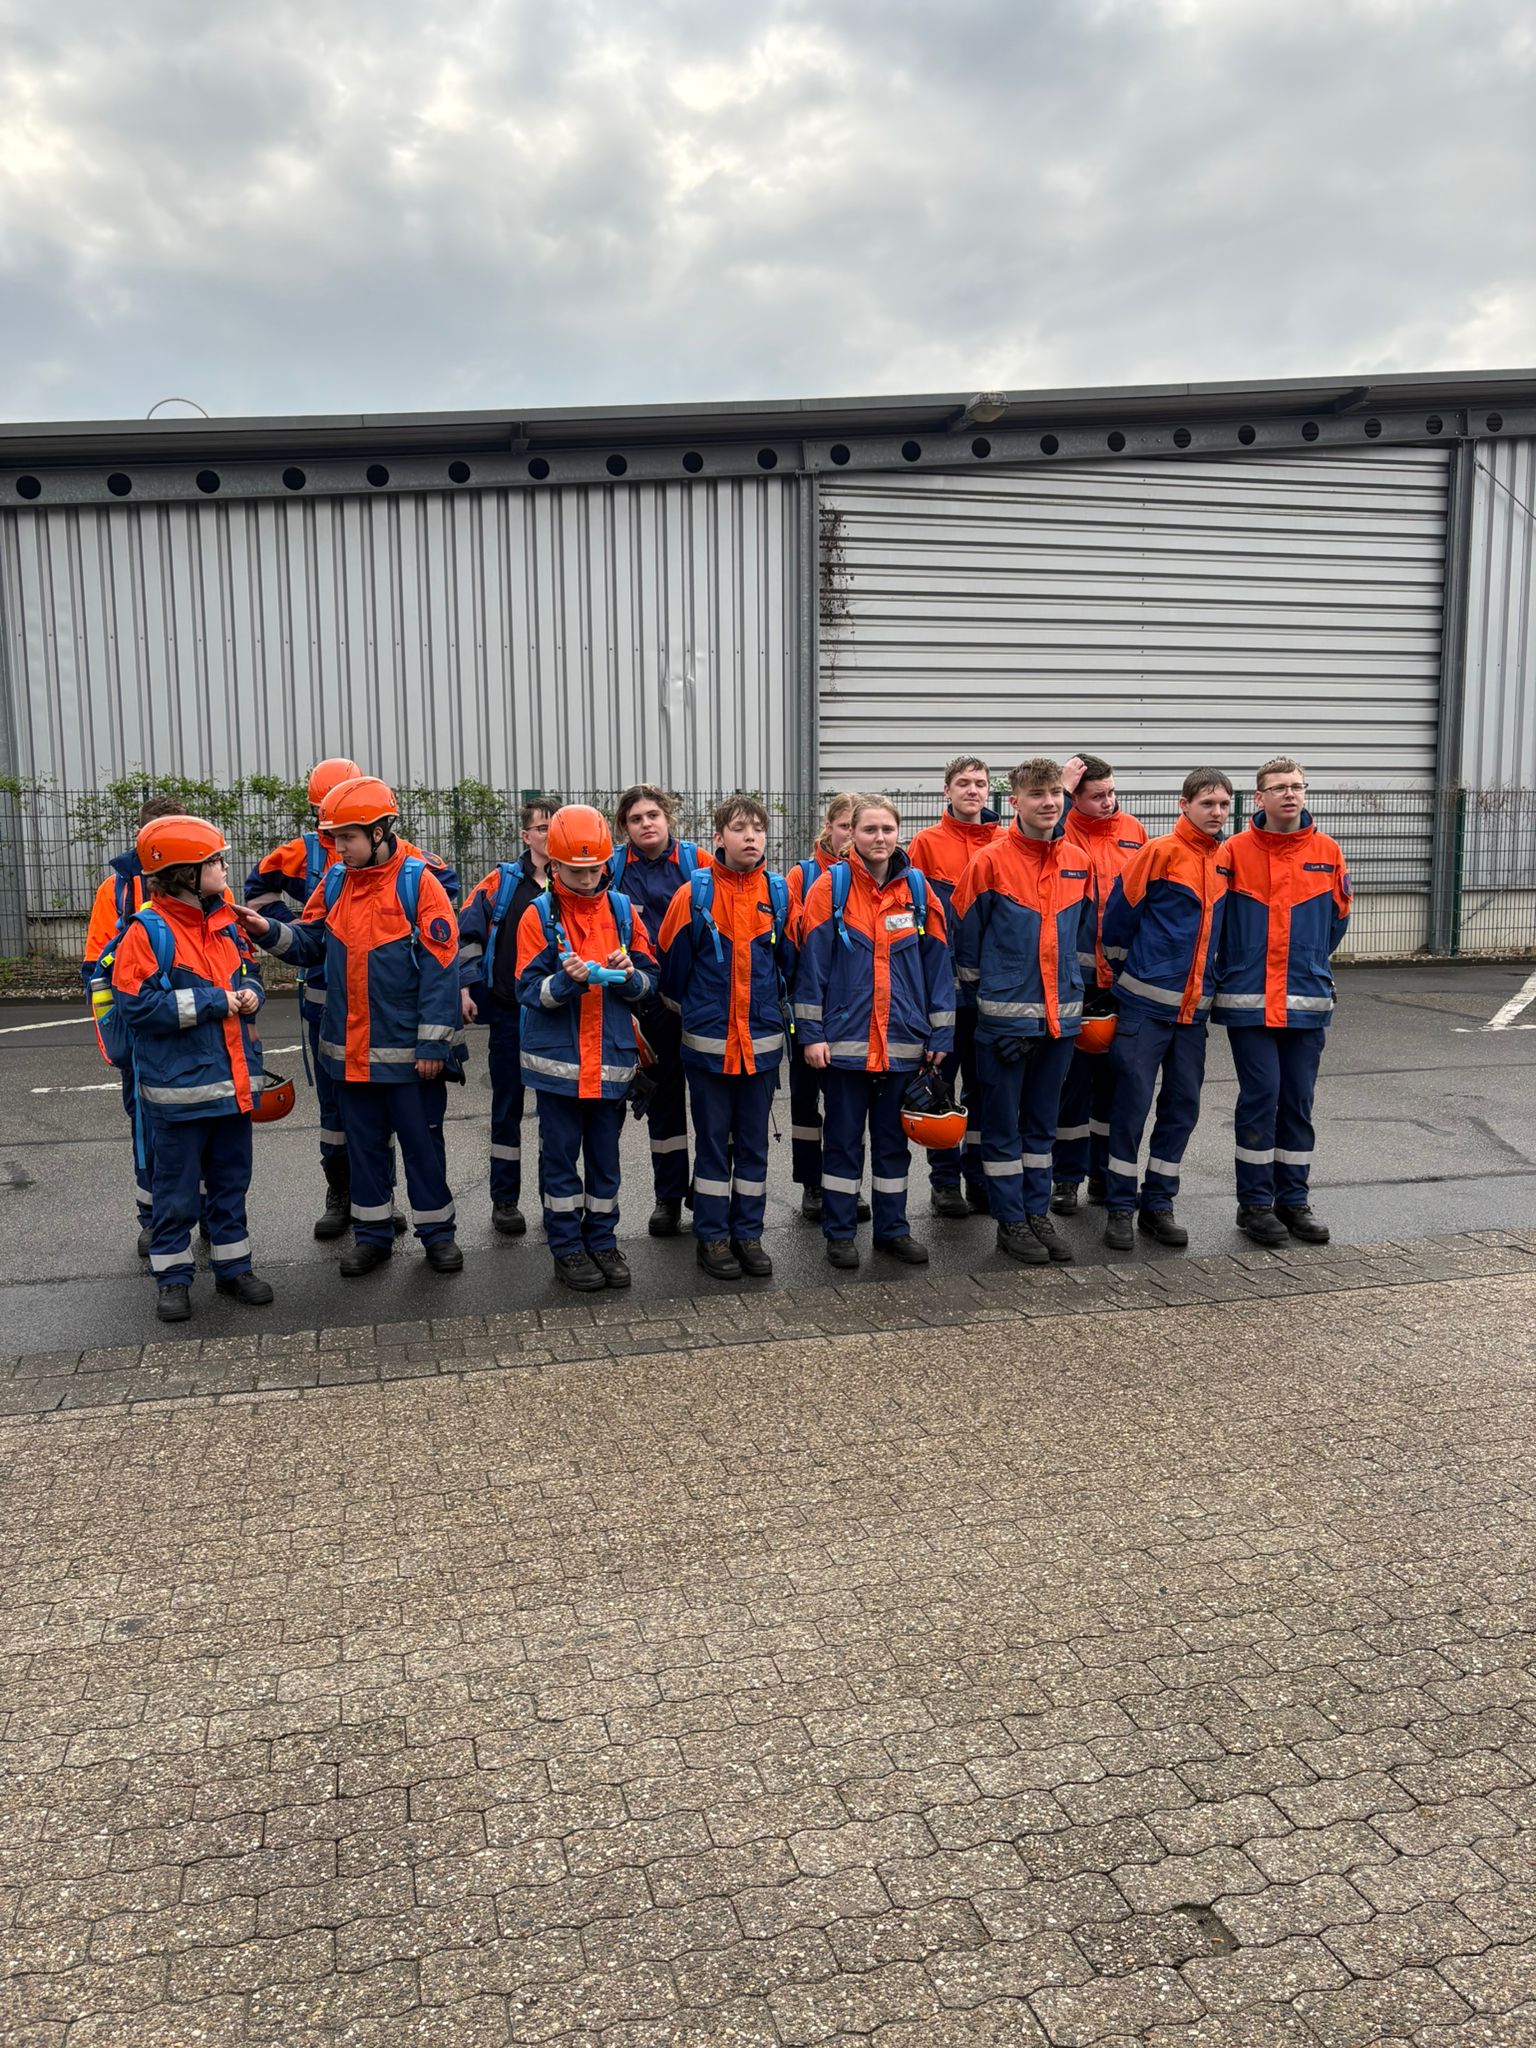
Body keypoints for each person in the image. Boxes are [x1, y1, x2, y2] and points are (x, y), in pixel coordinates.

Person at [233, 777, 465, 1276]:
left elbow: (442, 968)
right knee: (364, 1149)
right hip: (349, 1055)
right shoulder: (337, 880)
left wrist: (432, 1045)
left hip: (409, 1055)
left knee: (423, 1148)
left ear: (380, 831)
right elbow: (311, 943)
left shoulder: (418, 882)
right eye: (334, 837)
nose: (338, 848)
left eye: (348, 837)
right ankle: (373, 1236)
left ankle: (438, 1236)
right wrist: (268, 931)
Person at [110, 814, 275, 1323]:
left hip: (232, 1091)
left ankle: (234, 1269)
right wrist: (217, 1001)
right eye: (215, 862)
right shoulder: (148, 932)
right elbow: (138, 1007)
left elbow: (248, 971)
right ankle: (173, 1280)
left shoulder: (225, 921)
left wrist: (252, 993)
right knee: (176, 1194)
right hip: (179, 1097)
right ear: (186, 872)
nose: (224, 868)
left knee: (230, 1186)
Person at [796, 796, 954, 1270]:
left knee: (892, 1146)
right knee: (843, 1143)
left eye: (887, 829)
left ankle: (893, 1230)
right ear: (852, 836)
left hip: (903, 1044)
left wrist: (940, 1035)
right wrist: (811, 1033)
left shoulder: (918, 891)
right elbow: (812, 968)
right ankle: (840, 1233)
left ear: (898, 833)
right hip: (844, 1047)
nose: (879, 837)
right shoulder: (830, 889)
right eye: (869, 830)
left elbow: (938, 968)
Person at [951, 758, 1094, 1266]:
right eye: (1036, 794)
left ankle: (1036, 1213)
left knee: (1041, 1128)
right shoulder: (989, 862)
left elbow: (1080, 942)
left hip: (1060, 1023)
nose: (1048, 802)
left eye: (1054, 792)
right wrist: (992, 1018)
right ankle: (1009, 1222)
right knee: (1002, 1128)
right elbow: (966, 951)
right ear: (1014, 802)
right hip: (1004, 1028)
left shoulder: (1078, 861)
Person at [514, 804, 659, 1292]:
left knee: (604, 1161)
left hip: (610, 1063)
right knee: (559, 1161)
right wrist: (567, 981)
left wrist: (630, 975)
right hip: (558, 1067)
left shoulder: (621, 910)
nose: (587, 878)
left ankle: (601, 1241)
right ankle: (567, 1249)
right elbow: (527, 989)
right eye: (577, 870)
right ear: (554, 865)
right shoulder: (538, 915)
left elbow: (649, 980)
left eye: (595, 868)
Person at [1215, 756, 1351, 1246]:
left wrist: (1308, 964)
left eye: (1297, 786)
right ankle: (1254, 1205)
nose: (1290, 794)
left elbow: (1337, 922)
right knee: (1261, 1097)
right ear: (1260, 798)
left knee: (1297, 1102)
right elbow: (1217, 921)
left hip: (1306, 1000)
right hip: (1249, 1001)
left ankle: (1293, 1200)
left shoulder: (1328, 852)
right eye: (1279, 787)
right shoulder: (1233, 851)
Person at [657, 796, 795, 1282]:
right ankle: (712, 1237)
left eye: (757, 828)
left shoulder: (778, 894)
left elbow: (789, 967)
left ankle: (748, 1235)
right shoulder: (692, 895)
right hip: (709, 1052)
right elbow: (671, 974)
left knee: (754, 1146)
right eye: (739, 828)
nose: (750, 836)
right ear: (719, 837)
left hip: (760, 1050)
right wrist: (703, 1017)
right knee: (714, 1145)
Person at [1099, 768, 1234, 1253]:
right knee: (1130, 1107)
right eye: (1207, 804)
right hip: (1144, 1009)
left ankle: (1158, 1204)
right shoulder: (1157, 853)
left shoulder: (1226, 861)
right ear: (1184, 805)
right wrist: (1131, 976)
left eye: (1223, 804)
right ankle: (1119, 1207)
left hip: (1192, 1016)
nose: (1216, 812)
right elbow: (1118, 922)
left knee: (1181, 1109)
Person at [83, 793, 198, 1256]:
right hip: (144, 1041)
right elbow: (96, 971)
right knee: (148, 1131)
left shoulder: (212, 885)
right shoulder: (114, 891)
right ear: (141, 838)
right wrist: (120, 1040)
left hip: (200, 1034)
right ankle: (153, 1218)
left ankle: (210, 1215)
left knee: (208, 1127)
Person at [1051, 753, 1149, 1216]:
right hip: (1076, 982)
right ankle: (1066, 1178)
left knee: (1116, 1084)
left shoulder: (1133, 831)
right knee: (1073, 1086)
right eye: (1096, 795)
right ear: (1075, 797)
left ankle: (1105, 1177)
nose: (1107, 802)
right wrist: (1061, 792)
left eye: (1111, 792)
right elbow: (1031, 844)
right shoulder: (1061, 830)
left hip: (1124, 982)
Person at [906, 755, 1004, 1218]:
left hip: (993, 994)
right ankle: (944, 1182)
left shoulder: (1006, 842)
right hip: (944, 994)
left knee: (985, 1091)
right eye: (963, 783)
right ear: (946, 791)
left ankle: (978, 1176)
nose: (972, 790)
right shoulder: (926, 845)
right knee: (940, 1087)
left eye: (980, 783)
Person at [456, 795, 557, 1236]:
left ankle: (556, 1201)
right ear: (525, 835)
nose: (550, 836)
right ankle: (505, 1201)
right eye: (542, 828)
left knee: (556, 1115)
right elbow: (466, 933)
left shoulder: (577, 879)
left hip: (557, 1016)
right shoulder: (500, 883)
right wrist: (465, 987)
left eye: (556, 827)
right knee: (507, 1108)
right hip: (508, 1014)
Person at [608, 784, 702, 1236]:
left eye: (652, 815)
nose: (646, 824)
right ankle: (669, 1198)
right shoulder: (612, 870)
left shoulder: (697, 862)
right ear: (624, 827)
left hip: (700, 1004)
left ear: (668, 818)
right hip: (647, 1004)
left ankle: (709, 1191)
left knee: (711, 1105)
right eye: (635, 819)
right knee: (664, 1105)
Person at [785, 793, 867, 1222]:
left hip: (856, 1010)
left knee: (850, 1105)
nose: (851, 835)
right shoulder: (803, 875)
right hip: (811, 1004)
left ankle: (848, 1184)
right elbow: (796, 936)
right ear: (830, 828)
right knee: (805, 1100)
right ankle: (812, 1183)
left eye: (857, 826)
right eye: (845, 826)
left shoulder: (876, 874)